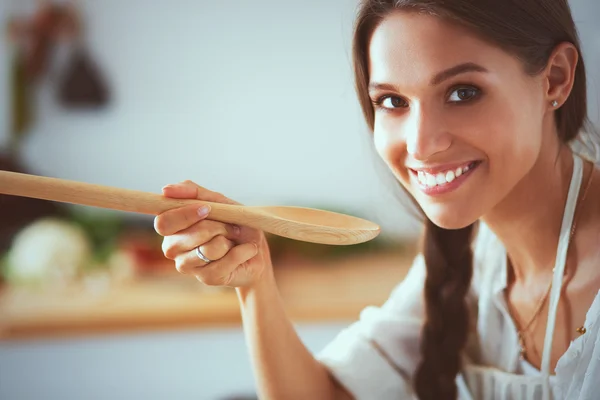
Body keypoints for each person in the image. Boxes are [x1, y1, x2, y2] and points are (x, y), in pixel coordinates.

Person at [153, 0, 600, 399]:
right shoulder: (470, 252)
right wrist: (254, 282)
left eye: (463, 92)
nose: (421, 144)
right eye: (392, 101)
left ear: (554, 80)